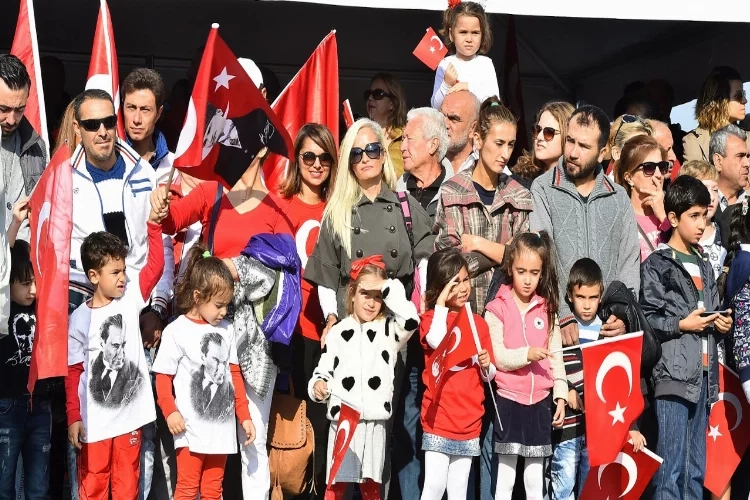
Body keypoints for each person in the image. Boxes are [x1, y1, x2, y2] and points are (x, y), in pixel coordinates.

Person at [152, 146, 292, 500]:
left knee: (252, 438)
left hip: (254, 341)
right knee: (199, 438)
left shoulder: (276, 208)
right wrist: (161, 207)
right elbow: (171, 221)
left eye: (242, 142)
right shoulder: (211, 191)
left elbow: (285, 270)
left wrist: (239, 268)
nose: (232, 147)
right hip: (205, 332)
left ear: (260, 150)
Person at [640, 175, 733, 500]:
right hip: (673, 380)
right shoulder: (658, 265)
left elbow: (708, 316)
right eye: (693, 216)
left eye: (704, 216)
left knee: (696, 474)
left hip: (704, 380)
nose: (700, 223)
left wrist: (720, 323)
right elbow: (649, 320)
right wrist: (683, 324)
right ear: (674, 218)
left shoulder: (706, 265)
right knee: (670, 473)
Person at [65, 211, 165, 499]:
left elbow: (156, 266)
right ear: (93, 276)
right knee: (93, 486)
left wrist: (154, 226)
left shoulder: (131, 299)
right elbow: (73, 372)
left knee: (126, 488)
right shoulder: (79, 319)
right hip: (94, 424)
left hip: (129, 422)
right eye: (115, 272)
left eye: (124, 271)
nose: (123, 278)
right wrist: (73, 417)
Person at [309, 256, 419, 500]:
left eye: (378, 296)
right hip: (344, 421)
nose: (371, 302)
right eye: (365, 294)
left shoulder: (389, 329)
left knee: (371, 487)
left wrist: (388, 288)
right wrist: (318, 384)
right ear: (352, 294)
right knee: (335, 486)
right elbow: (323, 369)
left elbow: (411, 320)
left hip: (374, 421)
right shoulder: (337, 331)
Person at [530, 105, 637, 346]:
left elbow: (629, 260)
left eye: (584, 146)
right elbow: (542, 255)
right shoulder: (543, 188)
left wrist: (622, 313)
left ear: (602, 153)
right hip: (557, 330)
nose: (573, 153)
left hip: (609, 332)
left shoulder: (618, 197)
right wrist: (563, 312)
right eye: (570, 141)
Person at [153, 246, 254, 500]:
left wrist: (244, 416)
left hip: (221, 429)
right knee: (187, 488)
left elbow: (234, 377)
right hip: (189, 428)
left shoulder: (227, 329)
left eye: (226, 305)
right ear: (198, 297)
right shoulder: (176, 330)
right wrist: (170, 411)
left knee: (213, 490)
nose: (223, 312)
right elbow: (163, 377)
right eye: (219, 305)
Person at [121, 66, 177, 500]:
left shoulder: (172, 167)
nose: (136, 117)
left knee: (157, 418)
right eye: (130, 108)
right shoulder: (106, 159)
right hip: (113, 301)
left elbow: (174, 242)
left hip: (154, 309)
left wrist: (157, 307)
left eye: (145, 109)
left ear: (159, 113)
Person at [484, 232, 567, 500]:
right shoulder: (496, 309)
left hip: (541, 403)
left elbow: (556, 356)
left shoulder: (548, 309)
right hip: (508, 401)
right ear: (510, 268)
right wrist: (527, 354)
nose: (528, 279)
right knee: (505, 479)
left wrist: (561, 395)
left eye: (535, 272)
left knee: (535, 480)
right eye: (521, 271)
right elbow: (497, 357)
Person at [279, 123, 337, 499]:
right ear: (297, 160)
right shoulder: (278, 204)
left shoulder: (338, 207)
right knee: (291, 427)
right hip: (289, 331)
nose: (316, 165)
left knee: (323, 425)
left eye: (324, 158)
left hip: (331, 332)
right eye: (309, 157)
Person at [435, 97, 532, 316]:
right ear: (478, 140)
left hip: (507, 319)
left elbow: (526, 264)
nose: (506, 154)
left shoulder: (520, 196)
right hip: (463, 317)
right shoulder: (452, 192)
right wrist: (504, 252)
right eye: (499, 143)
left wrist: (479, 244)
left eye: (511, 144)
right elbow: (450, 267)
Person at [418, 248, 495, 500]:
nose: (463, 288)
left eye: (465, 280)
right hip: (439, 418)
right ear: (440, 287)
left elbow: (489, 375)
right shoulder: (431, 319)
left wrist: (487, 366)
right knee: (434, 487)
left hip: (469, 419)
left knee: (458, 490)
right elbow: (437, 341)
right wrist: (440, 304)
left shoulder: (478, 323)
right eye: (454, 283)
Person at [0, 235, 52, 500]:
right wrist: (15, 226)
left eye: (35, 282)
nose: (33, 290)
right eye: (24, 283)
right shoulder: (3, 311)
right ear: (7, 284)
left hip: (40, 405)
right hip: (7, 406)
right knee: (4, 483)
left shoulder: (44, 309)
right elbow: (1, 260)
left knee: (39, 487)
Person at [549, 258, 600, 500]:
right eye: (581, 297)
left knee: (590, 490)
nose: (587, 305)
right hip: (568, 428)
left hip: (597, 429)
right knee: (563, 488)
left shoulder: (606, 330)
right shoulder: (561, 328)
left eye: (593, 297)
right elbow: (553, 364)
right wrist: (568, 389)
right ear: (569, 296)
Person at [0, 54, 47, 242]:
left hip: (21, 265)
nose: (12, 119)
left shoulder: (37, 148)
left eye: (19, 109)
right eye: (3, 109)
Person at [431, 1, 498, 111]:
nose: (469, 39)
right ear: (452, 35)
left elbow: (494, 102)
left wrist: (469, 87)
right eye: (463, 32)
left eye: (475, 33)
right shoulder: (445, 64)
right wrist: (446, 84)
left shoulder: (485, 63)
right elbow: (435, 106)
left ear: (483, 35)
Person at [613, 135, 669, 261]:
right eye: (649, 168)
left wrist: (663, 217)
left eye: (662, 166)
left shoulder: (673, 212)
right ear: (629, 177)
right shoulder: (620, 218)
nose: (659, 175)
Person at [684, 66, 750, 163]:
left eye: (743, 94)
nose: (745, 100)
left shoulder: (748, 137)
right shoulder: (693, 141)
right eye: (739, 96)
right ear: (719, 101)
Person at [398, 107, 452, 219]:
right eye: (403, 139)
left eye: (410, 139)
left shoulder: (457, 196)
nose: (402, 147)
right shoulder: (396, 192)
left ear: (433, 145)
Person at [679, 161, 726, 279]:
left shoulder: (725, 234)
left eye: (715, 190)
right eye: (704, 189)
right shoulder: (679, 236)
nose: (711, 197)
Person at [513, 101, 575, 184]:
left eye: (549, 132)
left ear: (567, 137)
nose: (539, 137)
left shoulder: (580, 183)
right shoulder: (520, 180)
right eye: (537, 130)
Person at [365, 73, 407, 178]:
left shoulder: (406, 136)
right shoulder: (360, 134)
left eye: (377, 94)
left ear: (392, 103)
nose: (370, 98)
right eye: (368, 94)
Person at [440, 90, 479, 174]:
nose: (445, 124)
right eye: (441, 116)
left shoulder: (487, 169)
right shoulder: (425, 161)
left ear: (473, 128)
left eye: (453, 119)